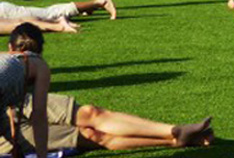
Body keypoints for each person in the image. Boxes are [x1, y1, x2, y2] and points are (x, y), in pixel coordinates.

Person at [0, 23, 213, 156]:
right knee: (90, 135)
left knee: (91, 114)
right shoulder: (34, 64)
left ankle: (173, 131)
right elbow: (37, 117)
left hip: (20, 102)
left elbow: (35, 111)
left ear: (11, 48)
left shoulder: (19, 63)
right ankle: (175, 140)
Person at [0, 0, 116, 24]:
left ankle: (101, 1)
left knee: (50, 14)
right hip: (4, 11)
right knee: (49, 14)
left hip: (5, 12)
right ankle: (91, 6)